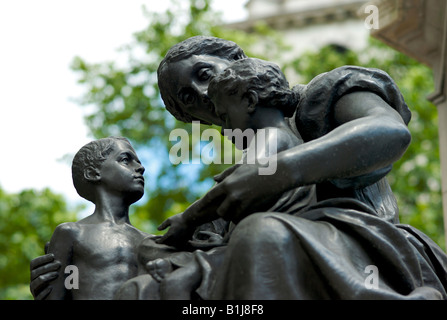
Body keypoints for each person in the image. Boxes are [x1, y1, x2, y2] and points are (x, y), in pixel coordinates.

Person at [31, 36, 447, 300]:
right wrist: (70, 284)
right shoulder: (244, 160)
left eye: (204, 73)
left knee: (261, 236)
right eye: (189, 99)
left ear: (238, 64)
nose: (202, 92)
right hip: (263, 251)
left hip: (365, 245)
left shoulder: (323, 96)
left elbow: (388, 132)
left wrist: (282, 170)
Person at [157, 57, 316, 247]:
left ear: (250, 100)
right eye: (189, 99)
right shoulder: (278, 139)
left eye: (225, 117)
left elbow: (244, 181)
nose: (224, 130)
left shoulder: (272, 136)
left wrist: (187, 218)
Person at [44, 137, 150, 299]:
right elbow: (56, 295)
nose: (140, 168)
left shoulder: (151, 242)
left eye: (138, 162)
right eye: (125, 160)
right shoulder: (71, 233)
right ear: (93, 173)